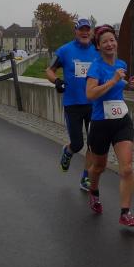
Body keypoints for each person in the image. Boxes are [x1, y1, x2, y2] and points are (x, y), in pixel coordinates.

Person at [84, 24, 134, 225]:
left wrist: (128, 84)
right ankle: (93, 191)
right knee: (99, 166)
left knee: (127, 168)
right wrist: (114, 80)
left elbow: (119, 86)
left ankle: (125, 212)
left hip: (121, 121)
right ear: (98, 46)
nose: (110, 44)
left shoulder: (121, 64)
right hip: (100, 123)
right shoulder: (95, 67)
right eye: (105, 41)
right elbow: (90, 94)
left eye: (112, 40)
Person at [46, 18, 99, 191]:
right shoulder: (64, 50)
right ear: (75, 31)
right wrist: (57, 81)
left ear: (91, 32)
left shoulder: (97, 50)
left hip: (93, 104)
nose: (85, 32)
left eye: (87, 29)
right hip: (73, 104)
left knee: (93, 144)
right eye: (81, 29)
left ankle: (86, 177)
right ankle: (68, 152)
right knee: (78, 144)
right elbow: (49, 70)